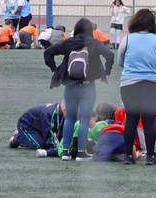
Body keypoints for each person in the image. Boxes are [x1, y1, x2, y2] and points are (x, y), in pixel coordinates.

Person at [43, 17, 115, 162]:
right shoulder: (94, 43)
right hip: (88, 86)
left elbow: (48, 52)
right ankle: (81, 152)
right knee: (84, 119)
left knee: (69, 118)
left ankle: (65, 152)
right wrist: (106, 71)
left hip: (70, 87)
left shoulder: (68, 43)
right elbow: (110, 54)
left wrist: (53, 69)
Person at [115, 8, 156, 164]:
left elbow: (120, 61)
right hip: (152, 84)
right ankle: (151, 157)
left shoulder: (127, 39)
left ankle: (128, 156)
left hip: (129, 84)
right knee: (149, 121)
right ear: (152, 24)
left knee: (131, 120)